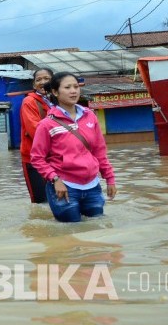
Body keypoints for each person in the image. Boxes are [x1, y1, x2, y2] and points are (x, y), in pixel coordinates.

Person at [31, 72, 118, 223]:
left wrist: (110, 179)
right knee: (70, 231)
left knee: (97, 228)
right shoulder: (47, 124)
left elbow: (99, 151)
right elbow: (37, 158)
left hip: (92, 186)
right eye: (68, 87)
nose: (73, 91)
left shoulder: (90, 116)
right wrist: (55, 179)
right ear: (55, 92)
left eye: (76, 87)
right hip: (64, 187)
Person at [20, 67, 54, 203]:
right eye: (38, 80)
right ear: (34, 85)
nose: (42, 82)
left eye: (46, 79)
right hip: (34, 159)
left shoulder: (57, 102)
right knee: (42, 202)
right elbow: (35, 130)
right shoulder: (29, 102)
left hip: (58, 158)